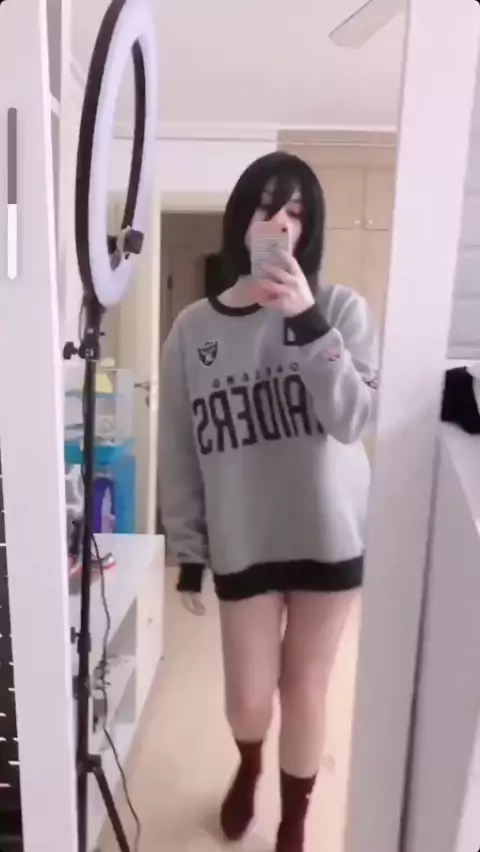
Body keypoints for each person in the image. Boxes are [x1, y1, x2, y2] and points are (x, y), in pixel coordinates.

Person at [158, 151, 379, 852]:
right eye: (267, 207)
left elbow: (352, 418)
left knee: (305, 686)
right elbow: (179, 448)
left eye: (297, 213)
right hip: (244, 536)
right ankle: (251, 764)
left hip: (329, 533)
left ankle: (295, 815)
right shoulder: (193, 329)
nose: (281, 224)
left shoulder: (340, 310)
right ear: (241, 218)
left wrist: (308, 322)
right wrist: (189, 550)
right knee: (249, 697)